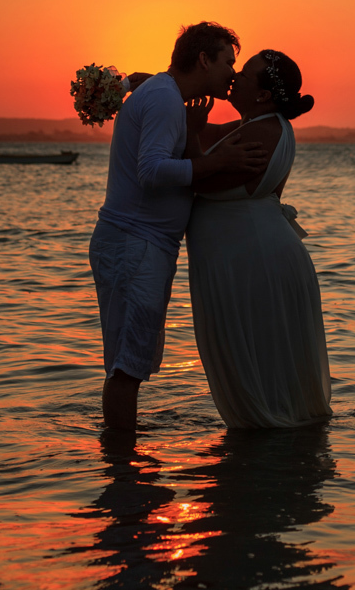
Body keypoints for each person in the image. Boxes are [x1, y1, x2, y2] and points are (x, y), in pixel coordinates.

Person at [89, 22, 268, 431]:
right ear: (203, 59)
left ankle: (123, 470)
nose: (233, 73)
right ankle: (123, 471)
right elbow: (151, 171)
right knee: (127, 367)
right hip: (135, 246)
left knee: (128, 363)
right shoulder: (164, 100)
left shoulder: (164, 95)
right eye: (228, 62)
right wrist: (217, 164)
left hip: (140, 246)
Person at [184, 49, 332, 428]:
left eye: (245, 74)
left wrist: (186, 135)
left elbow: (197, 179)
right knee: (265, 367)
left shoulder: (262, 132)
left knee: (264, 368)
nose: (234, 77)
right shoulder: (253, 125)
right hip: (250, 258)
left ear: (264, 94)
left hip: (253, 265)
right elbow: (207, 134)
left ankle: (270, 469)